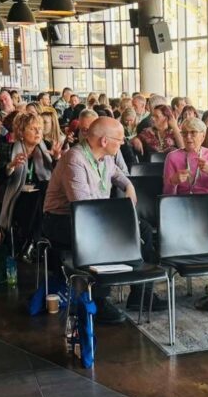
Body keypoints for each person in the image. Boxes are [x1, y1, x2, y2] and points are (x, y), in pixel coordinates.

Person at [43, 117, 152, 324]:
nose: (122, 143)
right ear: (104, 141)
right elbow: (84, 207)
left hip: (95, 218)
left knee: (143, 229)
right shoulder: (74, 159)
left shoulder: (106, 158)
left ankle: (140, 293)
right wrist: (116, 221)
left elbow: (119, 175)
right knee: (108, 236)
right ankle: (99, 300)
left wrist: (129, 186)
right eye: (119, 140)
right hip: (61, 220)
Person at [0, 113, 53, 253]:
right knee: (38, 197)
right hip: (17, 194)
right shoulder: (9, 148)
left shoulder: (46, 147)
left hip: (40, 196)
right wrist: (11, 165)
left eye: (40, 129)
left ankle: (30, 241)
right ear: (21, 132)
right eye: (32, 129)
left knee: (42, 191)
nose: (37, 132)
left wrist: (57, 159)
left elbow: (54, 174)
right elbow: (0, 178)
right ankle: (33, 242)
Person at [162, 117, 208, 203]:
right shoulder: (172, 157)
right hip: (186, 204)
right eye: (184, 133)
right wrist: (173, 182)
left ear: (203, 136)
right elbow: (167, 196)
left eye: (193, 132)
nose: (188, 137)